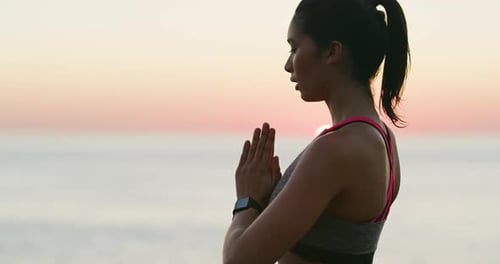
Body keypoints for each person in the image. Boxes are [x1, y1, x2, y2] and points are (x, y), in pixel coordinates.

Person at [223, 0, 410, 262]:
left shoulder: (337, 150)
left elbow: (239, 260)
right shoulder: (383, 139)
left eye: (294, 47)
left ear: (332, 52)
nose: (288, 65)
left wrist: (247, 200)